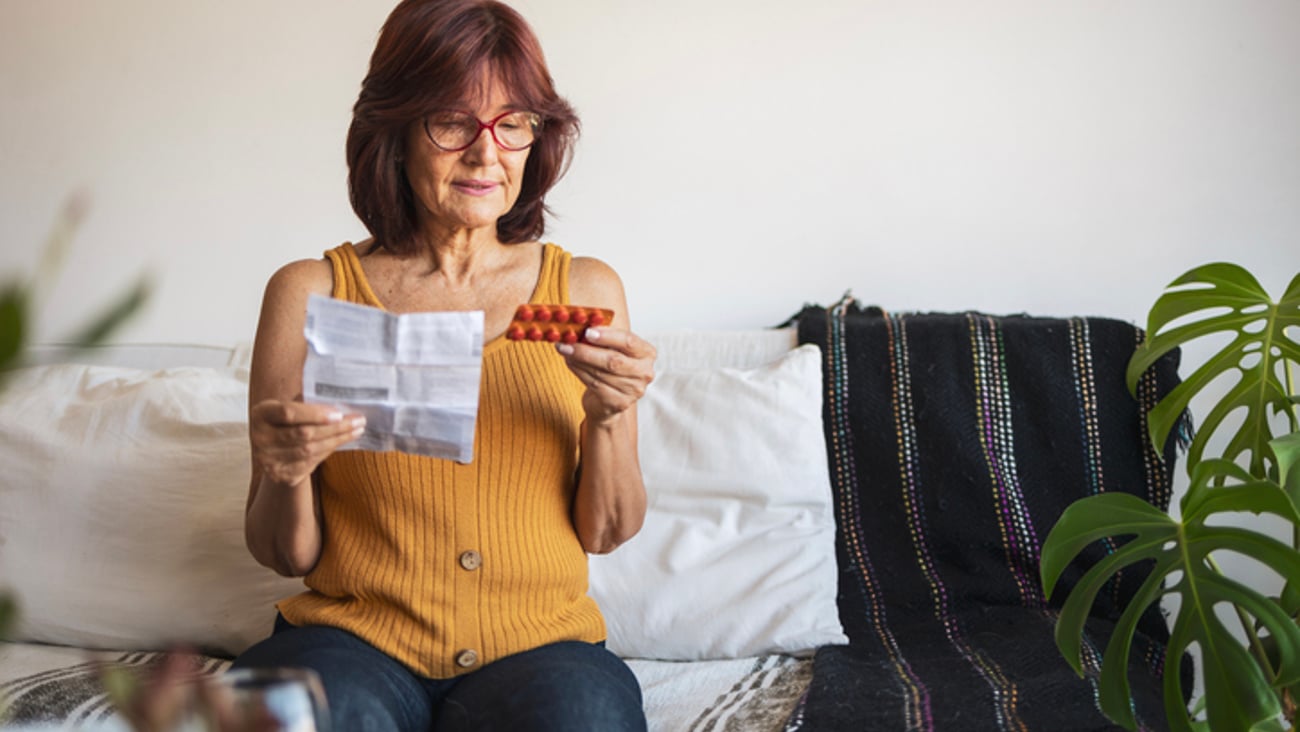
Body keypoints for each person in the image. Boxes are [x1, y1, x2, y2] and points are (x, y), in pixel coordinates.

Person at [230, 1, 655, 729]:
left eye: (513, 121)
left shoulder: (585, 288)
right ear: (394, 131)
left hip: (541, 649)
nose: (487, 153)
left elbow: (606, 533)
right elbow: (282, 551)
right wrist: (283, 469)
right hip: (351, 642)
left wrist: (609, 415)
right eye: (453, 122)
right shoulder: (312, 291)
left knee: (585, 717)